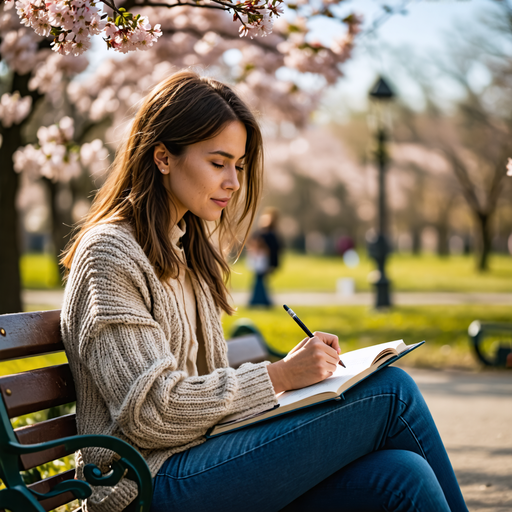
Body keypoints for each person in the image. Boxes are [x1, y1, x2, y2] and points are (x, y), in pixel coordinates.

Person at [60, 70, 469, 512]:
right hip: (144, 486)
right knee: (391, 391)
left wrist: (299, 386)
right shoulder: (111, 254)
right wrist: (280, 377)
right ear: (163, 157)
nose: (233, 182)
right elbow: (150, 413)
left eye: (237, 166)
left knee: (403, 475)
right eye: (218, 163)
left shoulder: (186, 248)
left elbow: (201, 394)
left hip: (199, 460)